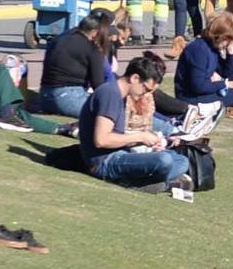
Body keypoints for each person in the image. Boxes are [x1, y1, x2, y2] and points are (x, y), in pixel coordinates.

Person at [79, 52, 194, 192]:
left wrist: (145, 141)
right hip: (105, 161)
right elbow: (102, 140)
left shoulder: (119, 95)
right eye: (146, 89)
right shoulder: (110, 94)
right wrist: (140, 137)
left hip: (121, 153)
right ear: (135, 78)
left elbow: (117, 136)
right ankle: (150, 182)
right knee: (164, 160)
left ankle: (144, 180)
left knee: (182, 161)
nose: (145, 94)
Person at [34, 3, 121, 125]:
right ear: (96, 32)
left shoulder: (62, 37)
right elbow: (99, 86)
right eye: (106, 32)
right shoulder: (91, 47)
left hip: (45, 95)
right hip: (68, 96)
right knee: (115, 112)